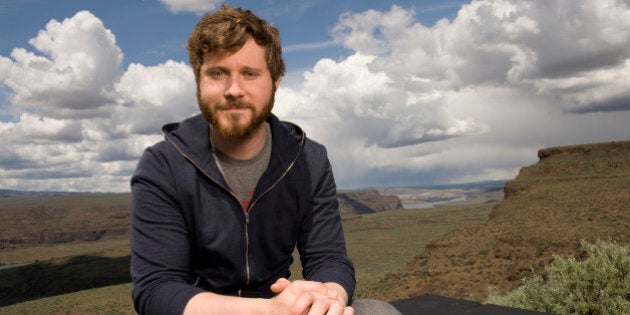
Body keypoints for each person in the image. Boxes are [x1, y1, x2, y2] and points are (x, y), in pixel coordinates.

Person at [130, 5, 401, 315]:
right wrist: (268, 310)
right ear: (198, 79)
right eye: (218, 73)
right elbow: (157, 289)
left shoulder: (308, 159)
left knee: (376, 311)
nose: (234, 90)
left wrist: (327, 299)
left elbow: (328, 258)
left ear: (276, 80)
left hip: (284, 309)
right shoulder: (163, 164)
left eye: (250, 73)